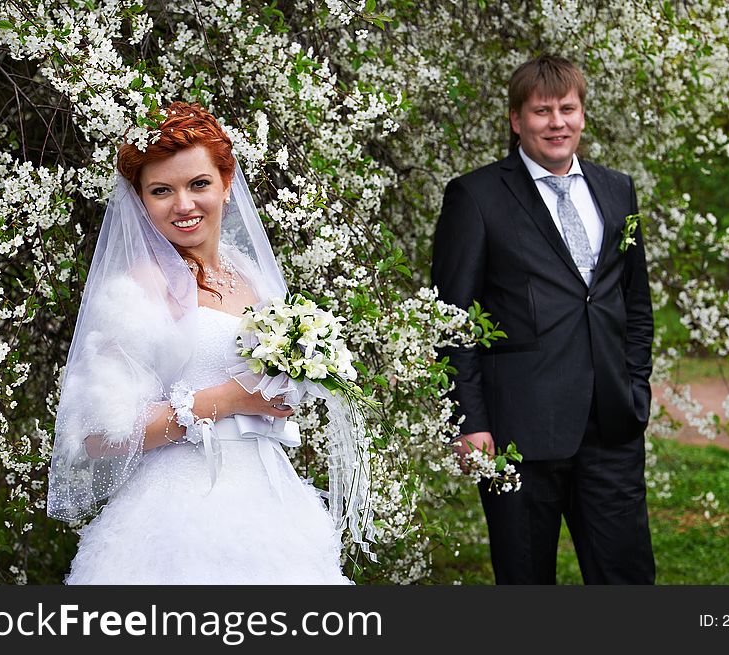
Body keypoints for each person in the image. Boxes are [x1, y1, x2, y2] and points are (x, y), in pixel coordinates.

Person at [47, 102, 372, 584]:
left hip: (271, 505)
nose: (184, 204)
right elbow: (97, 436)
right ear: (140, 200)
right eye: (162, 191)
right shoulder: (139, 289)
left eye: (198, 184)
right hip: (179, 515)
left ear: (226, 181)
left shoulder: (252, 276)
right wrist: (230, 400)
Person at [432, 55, 655, 584]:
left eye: (567, 109)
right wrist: (469, 421)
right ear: (516, 120)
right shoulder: (477, 196)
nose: (557, 122)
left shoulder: (617, 189)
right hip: (517, 433)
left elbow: (635, 302)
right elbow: (450, 319)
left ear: (582, 115)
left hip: (612, 426)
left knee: (628, 578)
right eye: (542, 111)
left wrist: (634, 388)